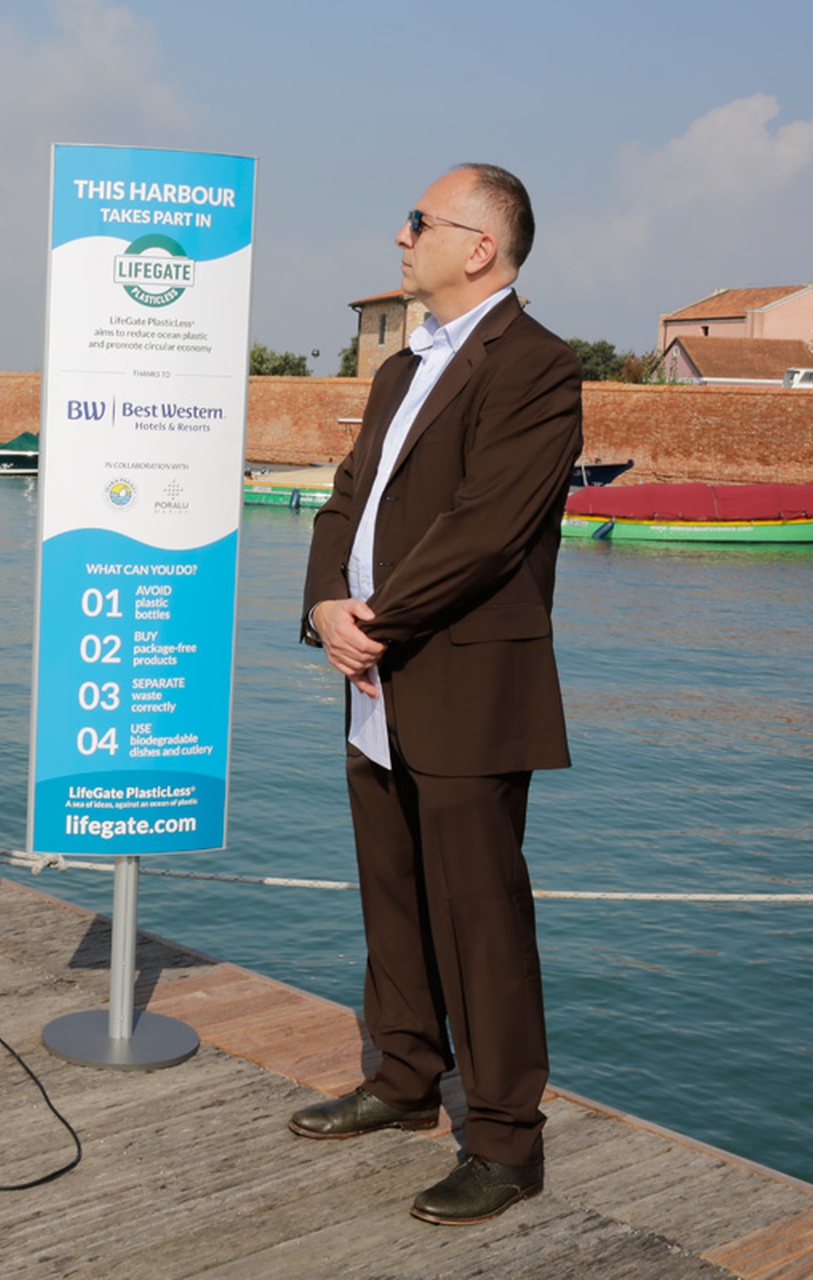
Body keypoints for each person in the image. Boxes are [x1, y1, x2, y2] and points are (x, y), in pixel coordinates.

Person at [291, 163, 582, 1225]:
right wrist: (326, 600)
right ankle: (405, 1076)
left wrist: (374, 620)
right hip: (374, 676)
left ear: (480, 247)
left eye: (419, 220)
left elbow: (487, 526)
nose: (398, 234)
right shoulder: (399, 368)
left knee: (481, 913)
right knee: (394, 888)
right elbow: (345, 503)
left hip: (461, 676)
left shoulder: (539, 368)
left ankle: (506, 1140)